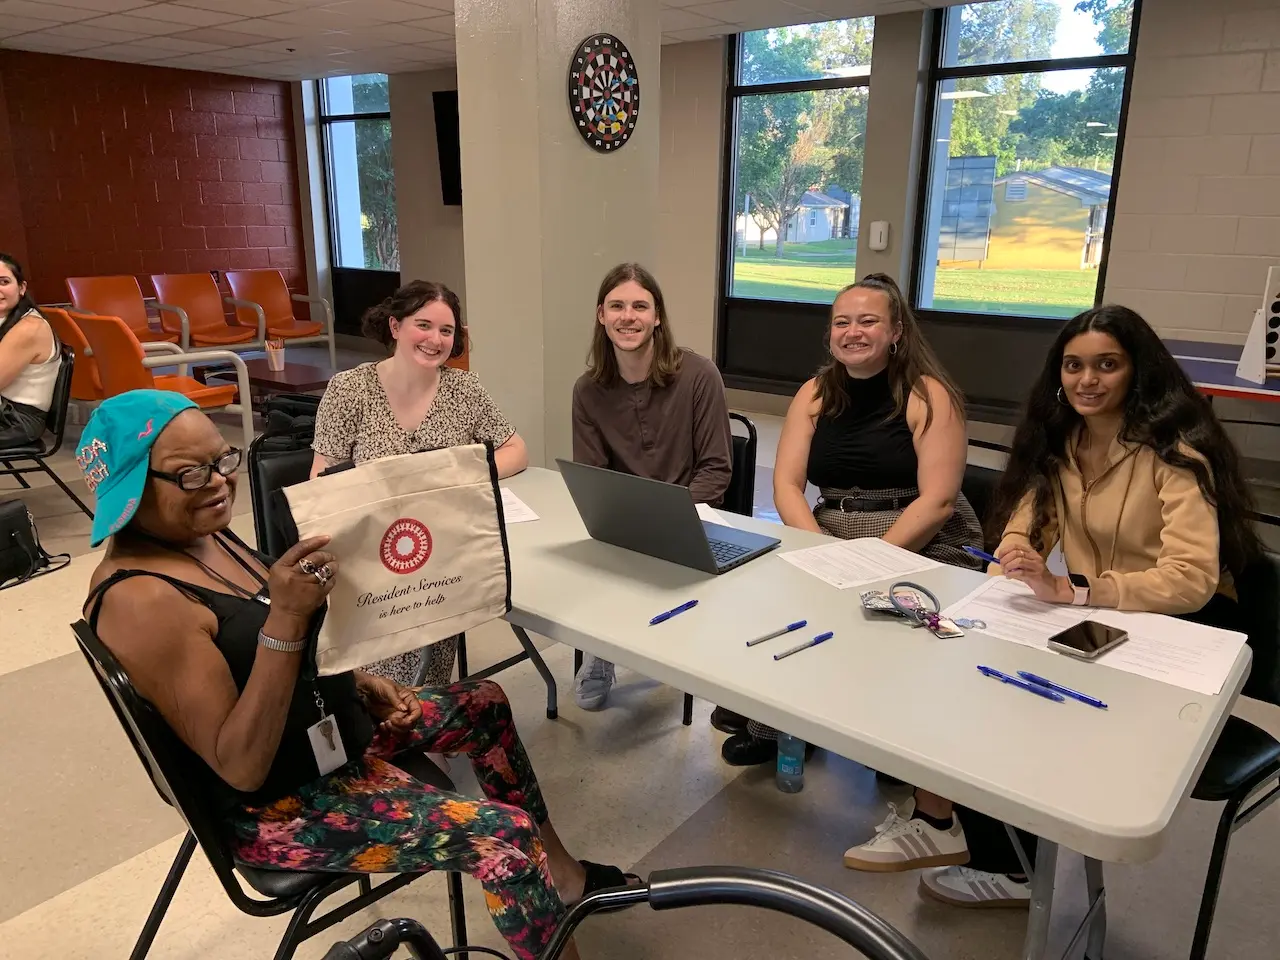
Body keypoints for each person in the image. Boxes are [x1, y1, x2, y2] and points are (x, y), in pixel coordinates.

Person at [80, 390, 630, 960]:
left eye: (223, 461)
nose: (218, 483)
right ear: (131, 486)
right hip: (277, 809)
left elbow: (253, 654)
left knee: (484, 702)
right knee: (503, 837)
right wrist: (289, 616)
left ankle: (562, 878)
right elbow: (242, 766)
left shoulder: (199, 535)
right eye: (189, 474)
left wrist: (359, 683)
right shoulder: (142, 600)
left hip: (321, 737)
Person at [843, 304, 1262, 911]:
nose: (1087, 380)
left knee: (1028, 716)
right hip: (1099, 617)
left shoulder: (1177, 452)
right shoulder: (1063, 441)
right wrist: (1016, 553)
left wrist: (1077, 591)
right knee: (969, 680)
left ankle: (1011, 869)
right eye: (1074, 366)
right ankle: (950, 827)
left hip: (1177, 631)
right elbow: (1028, 524)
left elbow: (1192, 579)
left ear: (1136, 371)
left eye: (1106, 366)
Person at [720, 273, 982, 767]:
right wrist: (820, 551)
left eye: (868, 321)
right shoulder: (816, 392)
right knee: (778, 599)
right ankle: (794, 719)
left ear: (896, 331)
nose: (853, 332)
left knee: (886, 624)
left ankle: (893, 741)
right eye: (842, 322)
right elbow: (787, 487)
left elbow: (940, 500)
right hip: (829, 528)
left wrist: (867, 562)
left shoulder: (929, 394)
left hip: (917, 532)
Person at [311, 280, 528, 688]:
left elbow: (516, 449)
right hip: (371, 551)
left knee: (423, 665)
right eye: (423, 325)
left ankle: (419, 712)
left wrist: (459, 476)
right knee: (376, 677)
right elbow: (323, 475)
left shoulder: (465, 390)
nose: (435, 340)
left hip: (438, 553)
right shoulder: (350, 389)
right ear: (395, 327)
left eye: (446, 331)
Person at [570, 262, 733, 711]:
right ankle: (602, 651)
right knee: (586, 555)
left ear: (657, 316)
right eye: (617, 306)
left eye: (640, 306)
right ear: (601, 316)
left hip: (693, 515)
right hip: (626, 524)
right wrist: (622, 521)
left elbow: (716, 471)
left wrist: (669, 519)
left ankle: (673, 646)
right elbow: (593, 475)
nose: (628, 316)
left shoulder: (699, 375)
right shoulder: (587, 390)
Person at [0, 254, 61, 448]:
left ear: (21, 288)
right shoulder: (8, 318)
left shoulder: (29, 328)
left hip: (15, 420)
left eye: (4, 282)